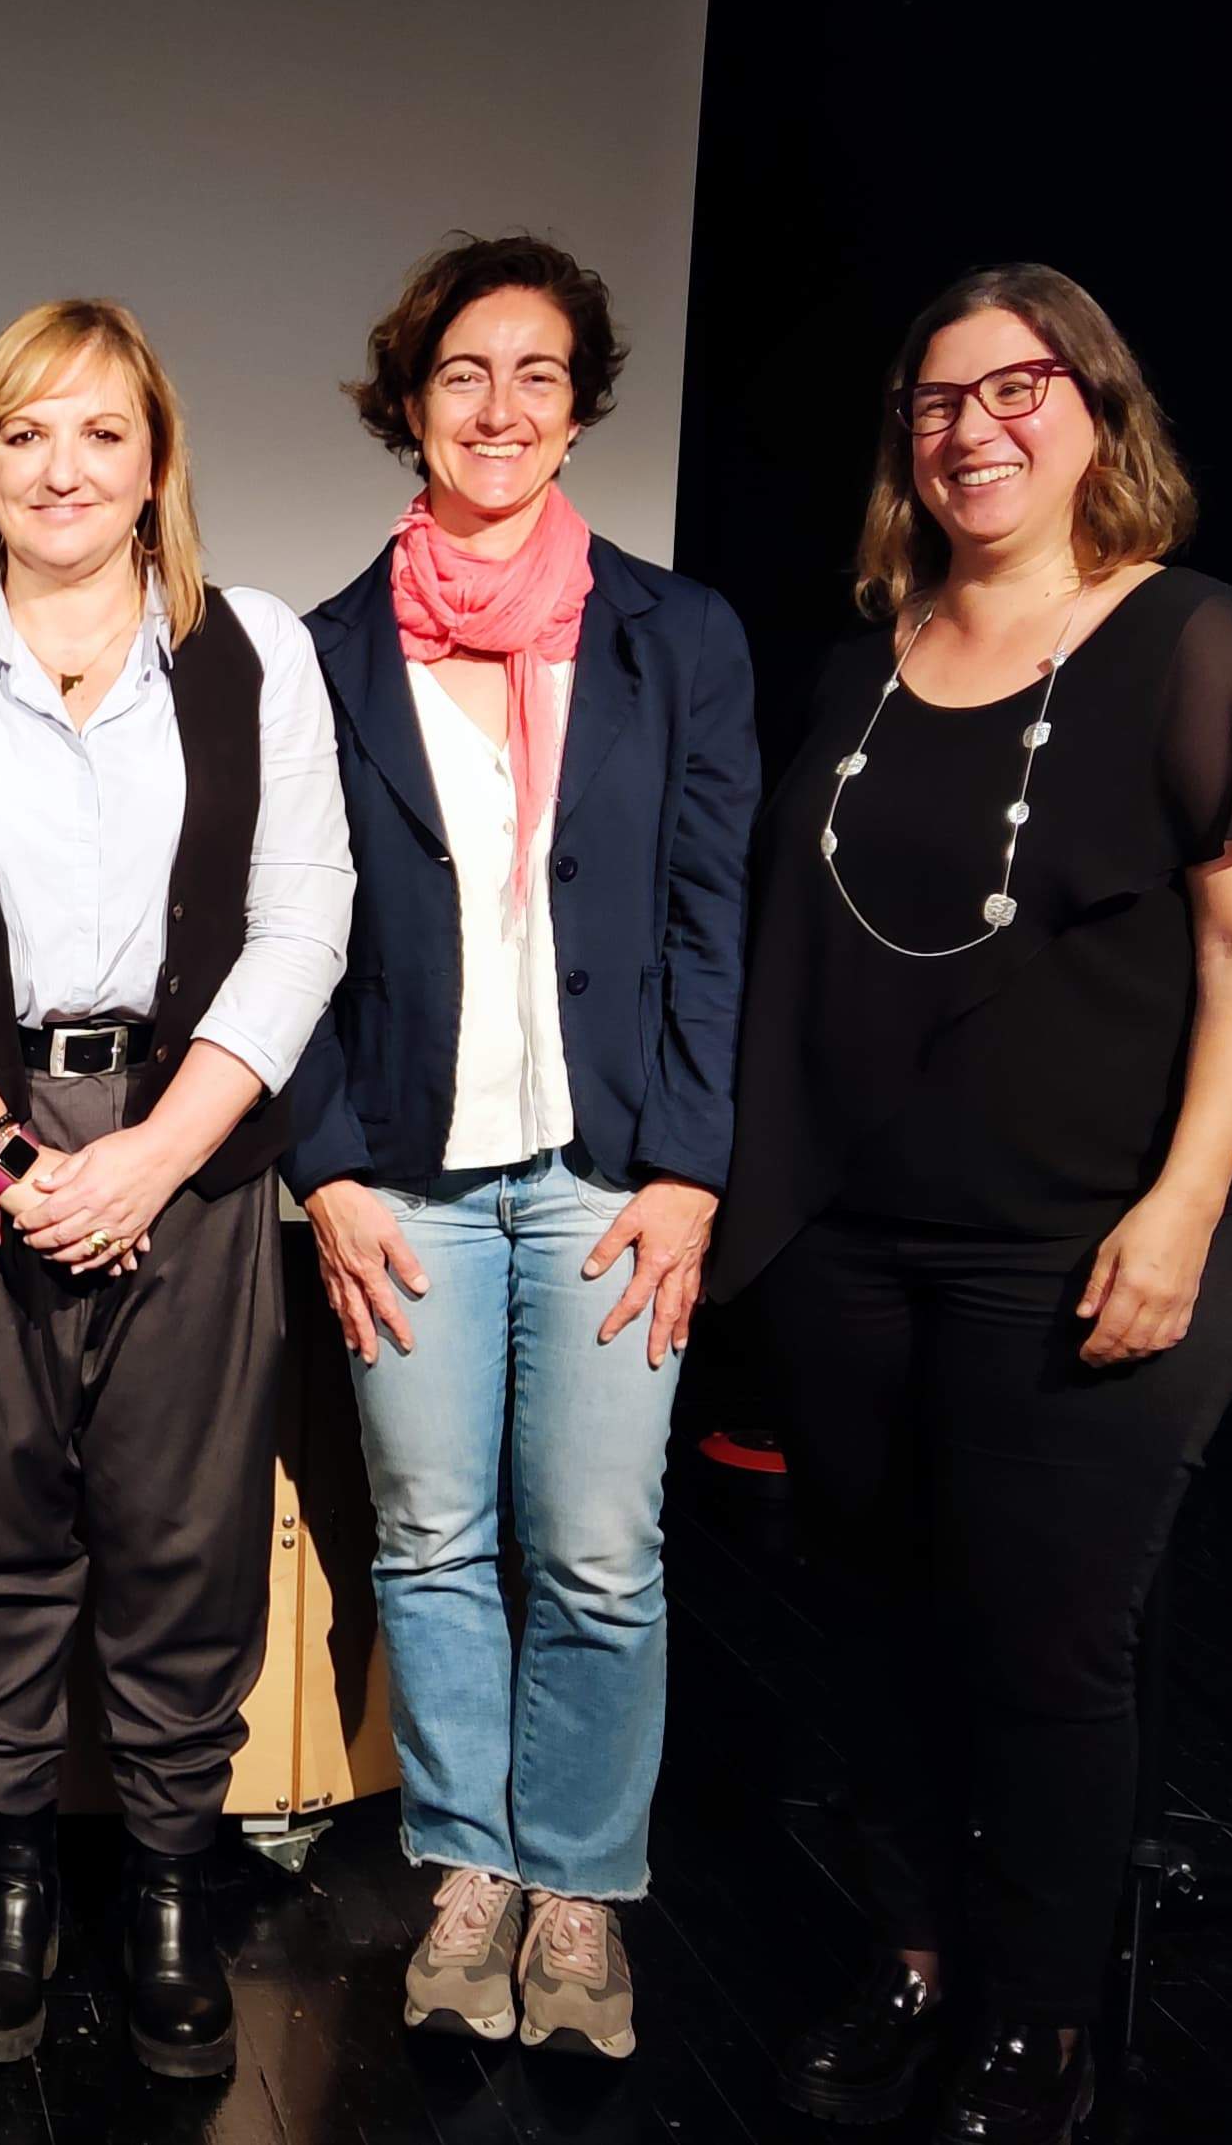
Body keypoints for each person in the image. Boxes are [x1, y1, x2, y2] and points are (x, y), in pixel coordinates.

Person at [715, 264, 1232, 2144]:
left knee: (1043, 1645)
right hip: (851, 1242)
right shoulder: (864, 656)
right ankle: (914, 1958)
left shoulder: (1189, 635)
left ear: (1097, 413)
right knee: (877, 1622)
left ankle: (1038, 2024)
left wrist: (1184, 1206)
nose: (973, 428)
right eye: (937, 399)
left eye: (1018, 388)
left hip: (1082, 1240)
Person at [0, 299, 352, 2080]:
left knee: (187, 1533)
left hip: (190, 1134)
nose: (63, 467)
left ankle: (173, 1879)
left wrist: (155, 1154)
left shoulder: (256, 650)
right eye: (25, 432)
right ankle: (14, 1869)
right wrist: (9, 1157)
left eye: (102, 431)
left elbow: (304, 919)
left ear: (156, 461)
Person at [282, 235, 757, 2062]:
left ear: (580, 407)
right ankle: (468, 1863)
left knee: (603, 1548)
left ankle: (579, 1886)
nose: (499, 408)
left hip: (609, 1167)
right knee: (429, 1535)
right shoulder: (320, 652)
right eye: (464, 373)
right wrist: (324, 1166)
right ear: (410, 404)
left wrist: (692, 1168)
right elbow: (280, 932)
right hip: (400, 1173)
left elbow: (711, 918)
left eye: (537, 374)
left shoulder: (677, 636)